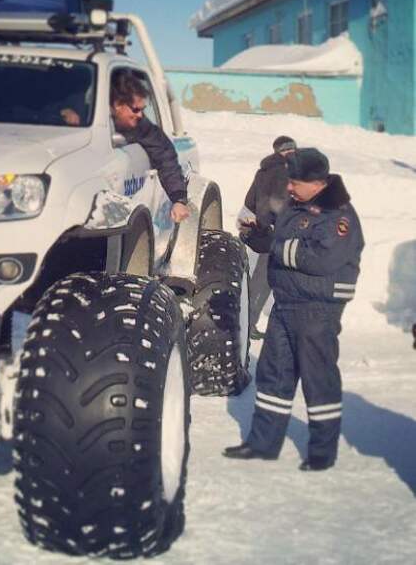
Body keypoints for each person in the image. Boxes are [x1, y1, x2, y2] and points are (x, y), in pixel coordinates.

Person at [224, 148, 364, 471]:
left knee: (318, 381)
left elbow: (321, 259)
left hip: (317, 310)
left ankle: (321, 453)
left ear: (316, 182)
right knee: (273, 376)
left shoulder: (338, 215)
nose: (289, 187)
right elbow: (282, 243)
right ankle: (262, 443)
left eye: (295, 181)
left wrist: (279, 246)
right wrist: (261, 236)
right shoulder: (295, 206)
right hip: (285, 304)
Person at [63, 69, 190, 223]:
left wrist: (178, 199)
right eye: (135, 109)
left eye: (142, 109)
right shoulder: (79, 116)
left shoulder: (142, 127)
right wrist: (60, 114)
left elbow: (165, 158)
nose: (140, 115)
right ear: (117, 105)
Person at [238, 135, 297, 340]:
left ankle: (246, 323)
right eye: (291, 150)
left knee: (262, 280)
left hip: (268, 232)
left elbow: (251, 200)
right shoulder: (287, 171)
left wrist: (263, 224)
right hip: (283, 233)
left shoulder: (263, 171)